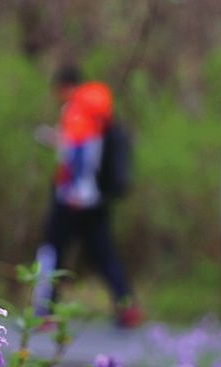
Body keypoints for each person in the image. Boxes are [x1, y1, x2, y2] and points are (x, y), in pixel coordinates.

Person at [32, 65, 144, 329]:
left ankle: (44, 311)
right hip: (97, 199)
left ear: (63, 87)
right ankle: (127, 306)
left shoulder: (76, 109)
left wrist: (75, 192)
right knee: (104, 253)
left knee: (53, 250)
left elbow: (79, 153)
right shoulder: (100, 111)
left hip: (72, 199)